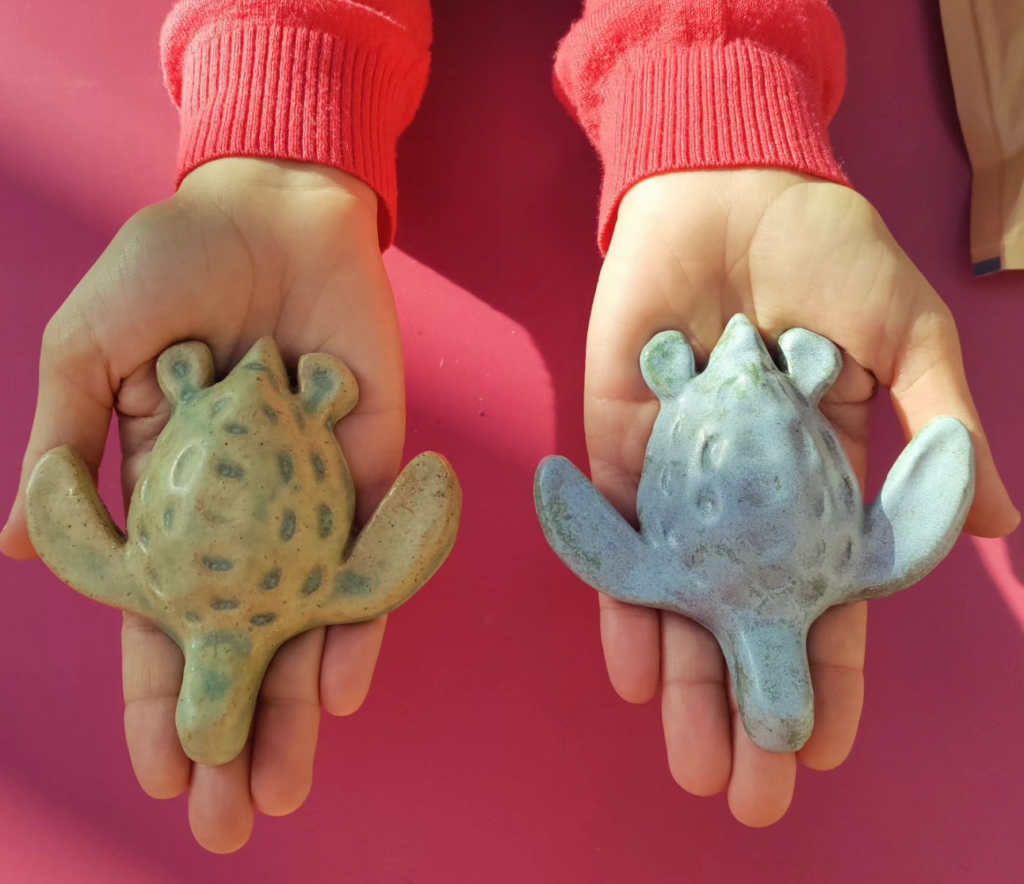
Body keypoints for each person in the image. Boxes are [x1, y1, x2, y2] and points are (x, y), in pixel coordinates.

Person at [0, 0, 1016, 853]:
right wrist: (282, 65)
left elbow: (564, 535)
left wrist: (708, 75)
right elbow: (516, 539)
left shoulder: (751, 563)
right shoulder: (822, 559)